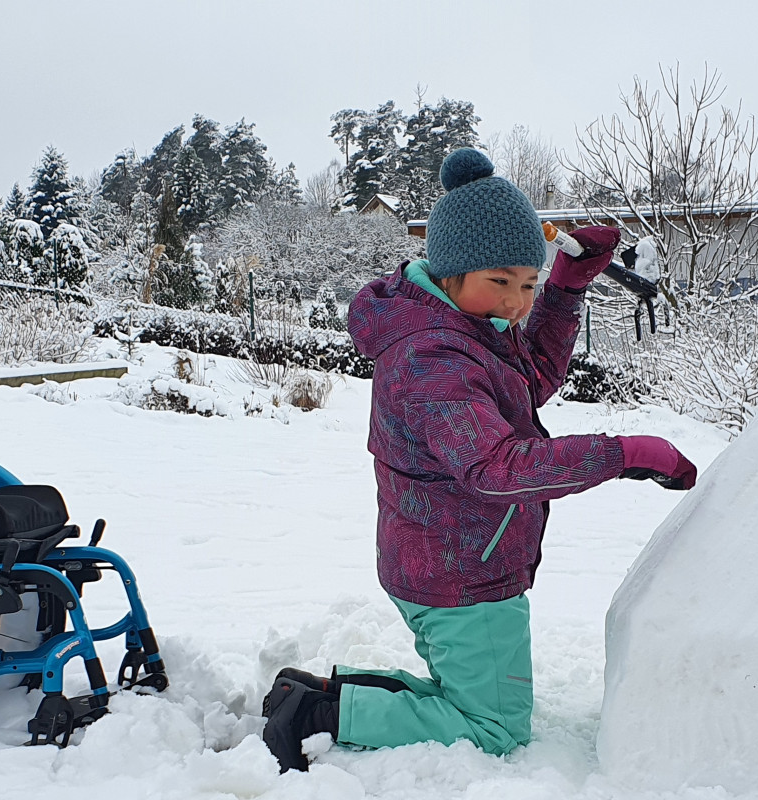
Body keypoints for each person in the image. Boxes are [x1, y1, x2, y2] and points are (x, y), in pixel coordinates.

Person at [260, 148, 697, 773]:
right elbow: (494, 465)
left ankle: (324, 696)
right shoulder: (430, 359)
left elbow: (527, 381)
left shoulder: (459, 327)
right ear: (451, 269)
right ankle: (322, 717)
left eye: (528, 283)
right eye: (501, 281)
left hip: (453, 556)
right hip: (460, 571)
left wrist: (566, 292)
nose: (518, 302)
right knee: (491, 728)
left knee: (471, 700)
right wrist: (620, 454)